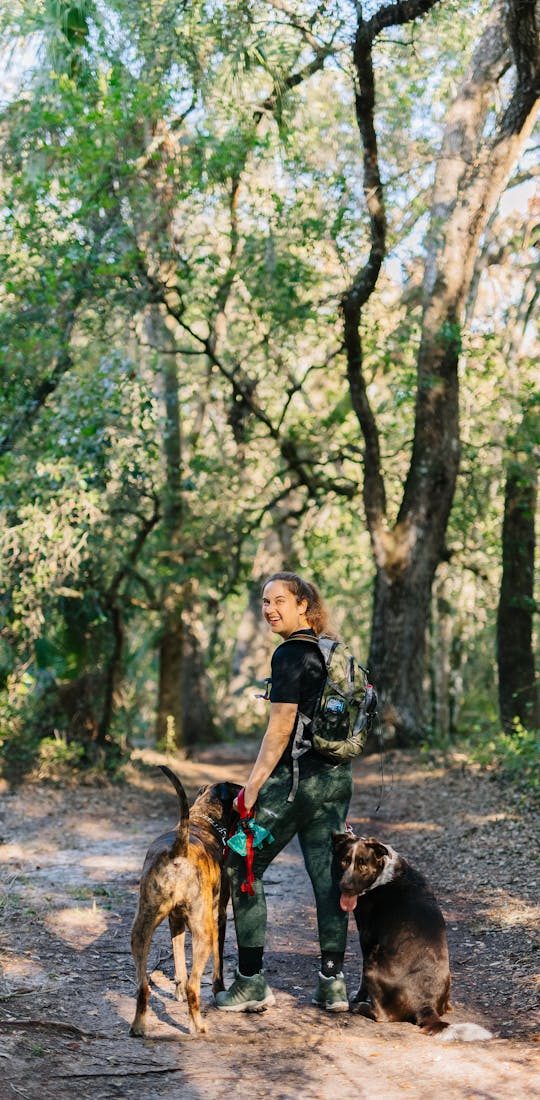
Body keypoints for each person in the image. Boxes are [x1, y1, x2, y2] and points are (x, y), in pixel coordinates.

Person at [215, 571, 353, 1014]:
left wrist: (251, 788)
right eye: (264, 602)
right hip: (335, 780)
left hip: (294, 785)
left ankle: (251, 982)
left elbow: (279, 730)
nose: (269, 609)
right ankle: (332, 984)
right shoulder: (331, 650)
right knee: (329, 877)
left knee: (243, 864)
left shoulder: (291, 654)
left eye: (278, 601)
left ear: (302, 606)